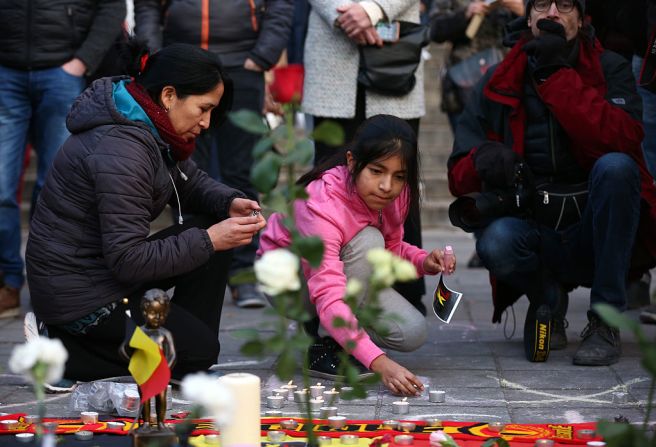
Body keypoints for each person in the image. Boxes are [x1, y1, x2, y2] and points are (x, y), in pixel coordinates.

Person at [25, 43, 267, 384]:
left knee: (213, 227)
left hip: (102, 273)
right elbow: (129, 258)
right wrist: (210, 239)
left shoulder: (150, 124)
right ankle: (62, 351)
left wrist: (228, 202)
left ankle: (184, 362)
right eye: (203, 108)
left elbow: (190, 182)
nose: (206, 122)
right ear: (169, 95)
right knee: (196, 345)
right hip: (79, 296)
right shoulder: (122, 148)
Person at [447, 0, 656, 365]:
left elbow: (624, 140)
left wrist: (555, 74)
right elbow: (456, 173)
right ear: (528, 17)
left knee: (618, 168)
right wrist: (483, 159)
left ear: (582, 17)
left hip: (594, 229)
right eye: (542, 4)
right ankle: (547, 299)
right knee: (495, 241)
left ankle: (605, 322)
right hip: (535, 228)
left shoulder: (612, 68)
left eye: (566, 5)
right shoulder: (499, 77)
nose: (553, 14)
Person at [259, 115, 456, 396]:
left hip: (348, 272)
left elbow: (391, 250)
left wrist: (425, 261)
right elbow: (327, 291)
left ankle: (342, 334)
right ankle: (318, 339)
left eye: (398, 176)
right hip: (290, 285)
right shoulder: (320, 204)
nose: (387, 186)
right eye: (377, 171)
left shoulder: (395, 195)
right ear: (352, 162)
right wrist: (381, 363)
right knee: (368, 241)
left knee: (412, 331)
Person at [134, 0, 293, 309]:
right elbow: (148, 6)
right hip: (184, 64)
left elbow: (280, 5)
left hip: (242, 63)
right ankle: (191, 268)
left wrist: (263, 55)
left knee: (242, 170)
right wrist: (156, 57)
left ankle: (244, 272)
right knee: (184, 171)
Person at [0, 0, 126, 318]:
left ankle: (52, 285)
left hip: (63, 72)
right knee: (1, 188)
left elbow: (112, 8)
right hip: (6, 73)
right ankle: (8, 282)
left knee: (58, 187)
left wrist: (82, 62)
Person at [304, 0, 429, 317]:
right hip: (332, 47)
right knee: (330, 176)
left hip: (394, 47)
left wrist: (373, 10)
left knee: (399, 176)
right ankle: (328, 298)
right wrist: (343, 13)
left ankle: (404, 289)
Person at [119, 289, 176, 430]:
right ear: (144, 313)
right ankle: (145, 423)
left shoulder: (165, 334)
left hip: (159, 373)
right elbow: (123, 349)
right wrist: (134, 364)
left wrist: (165, 369)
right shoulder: (140, 333)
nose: (158, 317)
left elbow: (172, 354)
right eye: (153, 313)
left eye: (162, 314)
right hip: (144, 373)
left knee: (161, 398)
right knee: (145, 398)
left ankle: (161, 422)